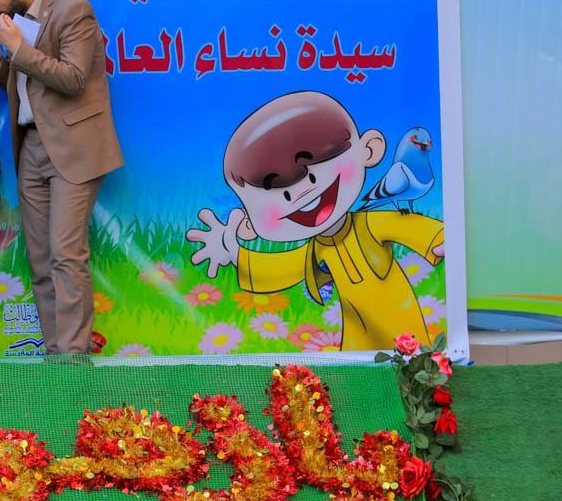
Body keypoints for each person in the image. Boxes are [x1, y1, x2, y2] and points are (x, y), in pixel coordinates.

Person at [186, 91, 444, 351]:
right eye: (278, 190)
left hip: (405, 328)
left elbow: (409, 226)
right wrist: (233, 253)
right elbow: (281, 268)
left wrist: (443, 240)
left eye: (312, 172)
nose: (300, 193)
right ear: (248, 224)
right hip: (356, 344)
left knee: (413, 354)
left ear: (368, 150)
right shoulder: (316, 251)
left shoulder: (369, 225)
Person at [0, 0, 123, 355]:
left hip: (73, 148)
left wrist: (18, 50)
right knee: (40, 260)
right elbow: (29, 86)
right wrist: (0, 62)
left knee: (66, 256)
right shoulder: (19, 19)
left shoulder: (73, 11)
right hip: (32, 145)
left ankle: (73, 360)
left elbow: (73, 78)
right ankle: (56, 355)